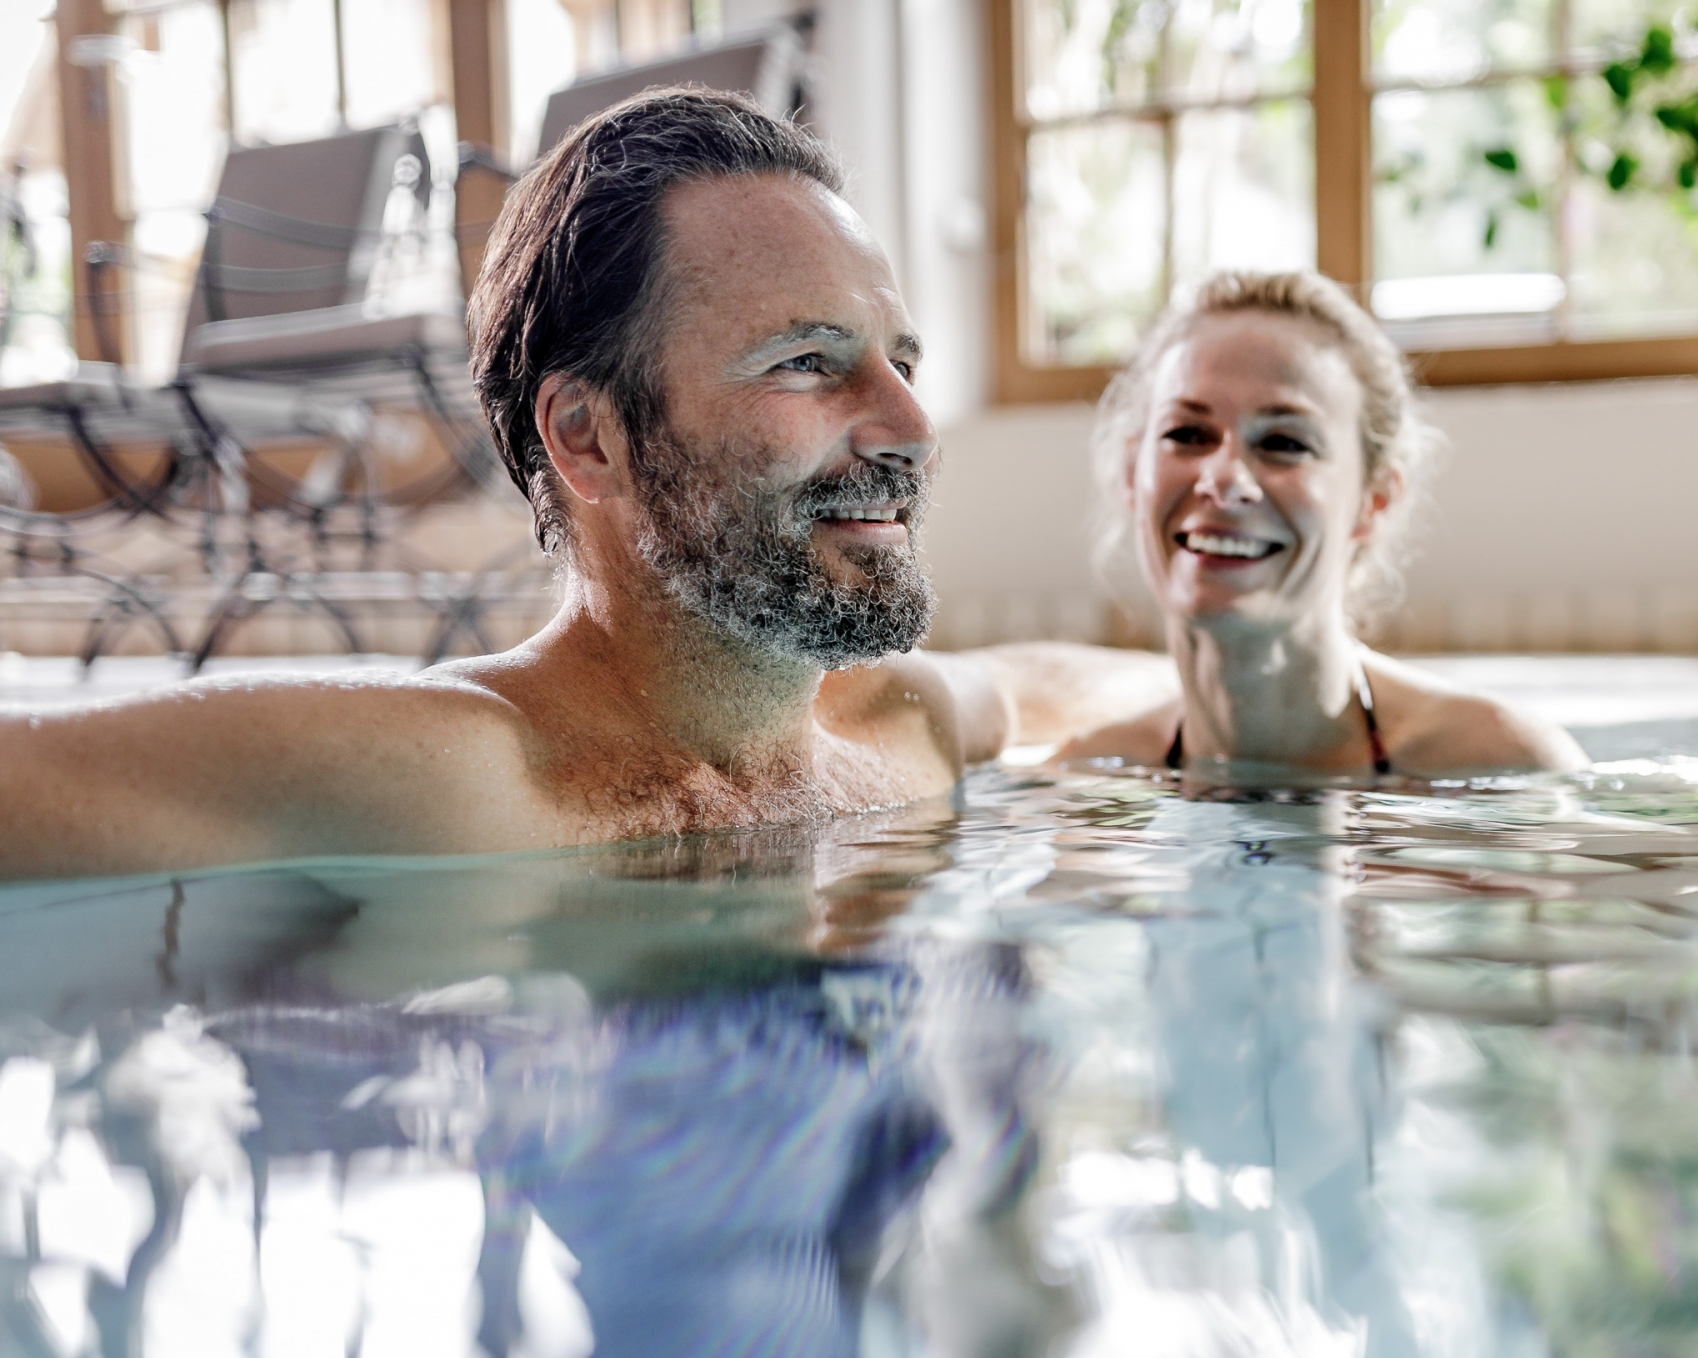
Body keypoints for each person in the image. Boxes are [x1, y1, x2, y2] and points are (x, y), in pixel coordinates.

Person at [0, 90, 1167, 883]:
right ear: (586, 436)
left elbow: (1048, 685)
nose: (910, 426)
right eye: (807, 361)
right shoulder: (453, 776)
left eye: (898, 362)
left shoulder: (902, 724)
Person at [1053, 272, 1586, 776]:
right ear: (1133, 473)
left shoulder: (1497, 765)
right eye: (1187, 434)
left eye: (1284, 442)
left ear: (1375, 500)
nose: (1225, 478)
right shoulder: (1091, 782)